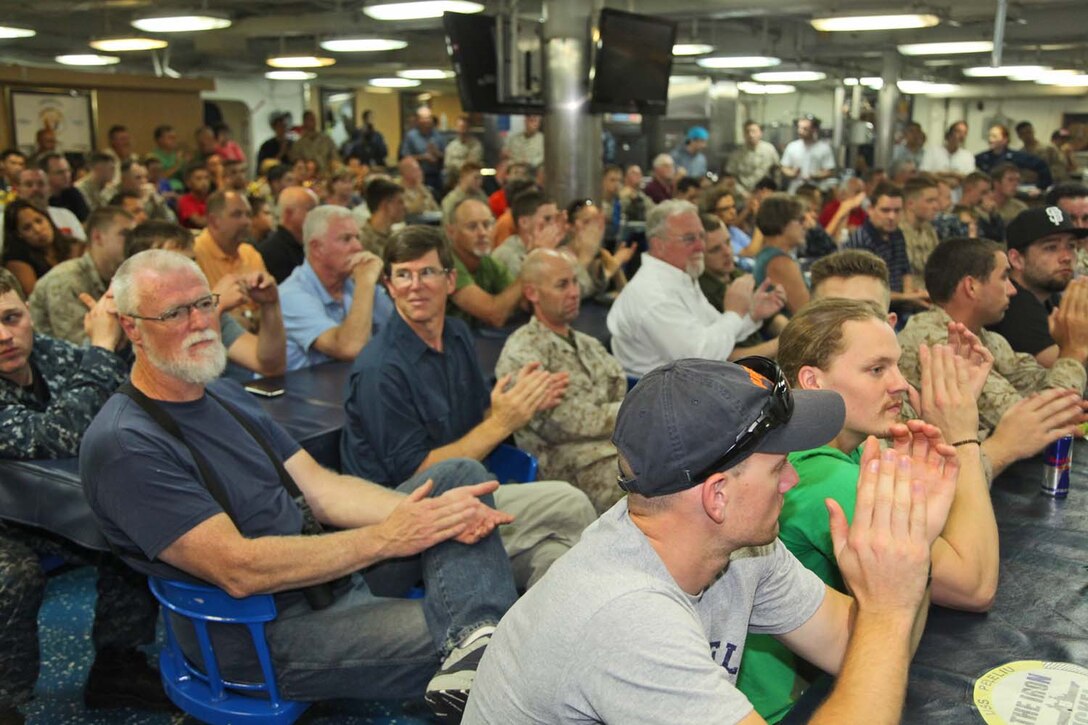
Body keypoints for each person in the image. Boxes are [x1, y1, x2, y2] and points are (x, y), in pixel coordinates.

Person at [79, 249, 527, 722]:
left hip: (320, 575)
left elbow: (321, 489)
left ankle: (475, 640)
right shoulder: (125, 444)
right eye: (175, 313)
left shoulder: (221, 394)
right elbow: (238, 569)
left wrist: (418, 518)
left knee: (459, 478)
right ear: (131, 328)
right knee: (515, 637)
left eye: (205, 304)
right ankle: (482, 643)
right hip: (261, 632)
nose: (200, 322)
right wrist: (390, 536)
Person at [465, 355, 953, 724]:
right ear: (717, 497)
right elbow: (884, 631)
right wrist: (887, 607)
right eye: (780, 467)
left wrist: (911, 548)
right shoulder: (626, 616)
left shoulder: (742, 548)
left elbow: (867, 648)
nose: (792, 482)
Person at [738, 298, 999, 721]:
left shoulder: (852, 449)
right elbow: (975, 585)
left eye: (897, 365)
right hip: (789, 708)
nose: (899, 383)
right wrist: (962, 434)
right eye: (877, 369)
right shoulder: (824, 477)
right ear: (813, 381)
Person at [338, 226, 596, 585]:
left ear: (450, 281)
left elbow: (479, 421)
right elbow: (417, 478)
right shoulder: (380, 370)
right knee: (569, 504)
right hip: (411, 521)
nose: (415, 285)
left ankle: (542, 637)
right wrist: (502, 423)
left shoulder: (457, 335)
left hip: (470, 495)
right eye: (403, 275)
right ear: (390, 285)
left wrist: (520, 402)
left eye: (427, 272)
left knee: (554, 553)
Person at [0, 267, 168, 723]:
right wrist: (99, 345)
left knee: (132, 532)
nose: (4, 335)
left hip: (46, 507)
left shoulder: (48, 355)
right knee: (12, 575)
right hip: (8, 526)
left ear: (29, 313)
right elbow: (57, 434)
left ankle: (118, 667)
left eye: (11, 317)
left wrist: (127, 334)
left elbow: (125, 393)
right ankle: (6, 700)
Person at [897, 236, 1088, 438]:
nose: (1013, 290)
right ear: (971, 287)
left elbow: (1038, 385)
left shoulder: (988, 338)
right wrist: (1074, 351)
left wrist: (1073, 409)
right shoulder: (939, 343)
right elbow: (1029, 427)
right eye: (1005, 277)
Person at [493, 248, 625, 513]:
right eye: (562, 285)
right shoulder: (523, 352)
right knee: (652, 490)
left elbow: (619, 387)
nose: (575, 292)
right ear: (532, 293)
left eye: (575, 281)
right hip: (565, 469)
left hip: (616, 451)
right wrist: (631, 414)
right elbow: (562, 422)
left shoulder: (589, 344)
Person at [607, 200, 785, 375]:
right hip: (668, 398)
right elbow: (701, 358)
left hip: (688, 387)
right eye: (689, 239)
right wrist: (734, 313)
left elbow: (716, 332)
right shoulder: (653, 294)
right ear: (658, 244)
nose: (700, 246)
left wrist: (753, 315)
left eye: (701, 236)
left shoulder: (680, 278)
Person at [125, 221, 287, 378]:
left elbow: (270, 366)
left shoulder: (204, 308)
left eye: (192, 262)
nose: (188, 273)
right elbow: (173, 382)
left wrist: (270, 305)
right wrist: (216, 305)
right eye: (172, 265)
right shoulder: (133, 316)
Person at [279, 205, 392, 370]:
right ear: (317, 248)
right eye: (346, 239)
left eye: (357, 238)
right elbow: (350, 348)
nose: (358, 247)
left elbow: (400, 333)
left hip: (341, 387)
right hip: (292, 392)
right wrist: (365, 284)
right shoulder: (290, 296)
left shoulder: (353, 283)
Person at [987, 207, 1088, 367]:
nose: (1066, 257)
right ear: (1016, 259)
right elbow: (1066, 368)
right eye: (1051, 247)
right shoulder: (1014, 306)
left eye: (1071, 246)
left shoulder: (1046, 291)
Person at [29, 207, 134, 344]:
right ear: (97, 237)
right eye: (126, 234)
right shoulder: (65, 280)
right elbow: (81, 347)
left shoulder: (121, 277)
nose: (133, 242)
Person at [193, 191, 269, 330]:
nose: (247, 222)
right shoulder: (194, 253)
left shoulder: (250, 253)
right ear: (213, 221)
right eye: (237, 215)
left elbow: (266, 305)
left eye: (248, 214)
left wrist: (248, 317)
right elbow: (194, 314)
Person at [844, 182, 928, 306]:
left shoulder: (897, 233)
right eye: (885, 210)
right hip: (870, 309)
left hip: (898, 305)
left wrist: (910, 294)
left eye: (897, 210)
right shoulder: (862, 240)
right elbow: (867, 293)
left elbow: (905, 270)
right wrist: (908, 297)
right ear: (870, 210)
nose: (891, 216)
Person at [445, 198, 522, 328]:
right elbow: (494, 314)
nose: (482, 233)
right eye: (472, 226)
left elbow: (521, 303)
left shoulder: (489, 262)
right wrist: (532, 266)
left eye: (487, 225)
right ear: (451, 232)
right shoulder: (445, 264)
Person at [2, 199, 80, 296]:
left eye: (39, 221)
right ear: (18, 235)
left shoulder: (72, 244)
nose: (37, 229)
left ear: (47, 218)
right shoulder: (16, 259)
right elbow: (36, 299)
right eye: (27, 228)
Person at [564, 198, 633, 299]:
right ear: (572, 227)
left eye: (597, 222)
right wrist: (585, 258)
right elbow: (569, 296)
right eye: (587, 222)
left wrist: (616, 267)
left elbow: (625, 293)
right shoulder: (562, 258)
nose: (595, 228)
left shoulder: (599, 257)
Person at [752, 194, 809, 315]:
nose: (805, 225)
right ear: (782, 223)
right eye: (800, 220)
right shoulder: (779, 262)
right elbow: (807, 312)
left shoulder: (770, 255)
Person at [491, 189, 561, 278]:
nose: (554, 224)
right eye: (547, 219)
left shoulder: (555, 249)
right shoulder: (507, 255)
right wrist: (537, 255)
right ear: (524, 222)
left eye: (556, 218)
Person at [256, 186, 319, 283]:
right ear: (289, 214)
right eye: (310, 210)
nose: (316, 215)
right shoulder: (271, 252)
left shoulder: (311, 246)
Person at [13, 168, 86, 241]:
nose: (35, 189)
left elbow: (82, 243)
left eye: (41, 184)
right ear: (18, 190)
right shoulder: (7, 221)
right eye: (29, 185)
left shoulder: (65, 215)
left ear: (49, 189)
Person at [974, 124, 1051, 190]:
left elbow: (1042, 166)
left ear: (1005, 139)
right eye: (989, 136)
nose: (990, 139)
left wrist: (1040, 187)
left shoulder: (1017, 157)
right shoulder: (981, 158)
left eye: (994, 136)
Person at [780, 116, 836, 193]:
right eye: (799, 128)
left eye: (805, 129)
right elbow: (784, 167)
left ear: (814, 129)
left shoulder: (824, 148)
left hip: (817, 189)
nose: (800, 131)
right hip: (796, 189)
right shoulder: (792, 146)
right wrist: (792, 173)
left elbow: (829, 171)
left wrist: (814, 176)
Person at [900, 174, 941, 279]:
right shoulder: (897, 231)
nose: (936, 206)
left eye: (936, 200)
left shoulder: (929, 230)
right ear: (910, 204)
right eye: (930, 201)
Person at [400, 107, 446, 195]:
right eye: (424, 118)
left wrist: (437, 153)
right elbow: (405, 157)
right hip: (418, 178)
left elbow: (445, 155)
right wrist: (423, 157)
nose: (427, 121)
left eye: (429, 118)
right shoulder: (411, 136)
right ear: (418, 120)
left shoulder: (438, 136)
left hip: (436, 177)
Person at [727, 120, 780, 194]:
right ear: (744, 134)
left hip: (764, 192)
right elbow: (730, 177)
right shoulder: (736, 154)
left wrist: (773, 190)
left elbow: (777, 171)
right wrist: (742, 193)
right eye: (747, 132)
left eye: (754, 131)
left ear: (760, 133)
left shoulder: (769, 150)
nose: (751, 135)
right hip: (742, 193)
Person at [358, 178, 406, 256]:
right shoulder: (363, 242)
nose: (404, 207)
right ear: (385, 205)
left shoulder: (396, 238)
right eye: (400, 202)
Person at [920, 122, 977, 187]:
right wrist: (945, 180)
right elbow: (924, 173)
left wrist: (950, 174)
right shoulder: (932, 151)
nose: (961, 135)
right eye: (958, 131)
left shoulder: (968, 156)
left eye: (965, 133)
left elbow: (970, 179)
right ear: (949, 133)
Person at [40, 152, 89, 221]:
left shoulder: (73, 193)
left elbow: (86, 219)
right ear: (45, 175)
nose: (67, 176)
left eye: (68, 171)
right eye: (60, 172)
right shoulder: (40, 197)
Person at [960, 170, 1005, 242]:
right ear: (969, 189)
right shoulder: (955, 215)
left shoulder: (979, 214)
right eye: (983, 192)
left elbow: (997, 238)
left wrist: (993, 215)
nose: (988, 196)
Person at [443, 115, 484, 183]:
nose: (462, 130)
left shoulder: (476, 145)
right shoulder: (451, 145)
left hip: (470, 180)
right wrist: (461, 163)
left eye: (464, 127)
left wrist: (455, 164)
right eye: (459, 127)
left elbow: (470, 166)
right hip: (453, 180)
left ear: (469, 128)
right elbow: (447, 164)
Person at [149, 124, 187, 192]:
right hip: (164, 190)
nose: (174, 140)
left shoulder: (177, 155)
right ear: (160, 140)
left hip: (182, 188)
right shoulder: (152, 157)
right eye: (170, 138)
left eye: (175, 138)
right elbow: (158, 178)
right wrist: (177, 165)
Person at [177, 163, 212, 229]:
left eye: (206, 178)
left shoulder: (212, 198)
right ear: (188, 183)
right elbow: (199, 222)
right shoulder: (185, 200)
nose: (204, 182)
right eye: (198, 179)